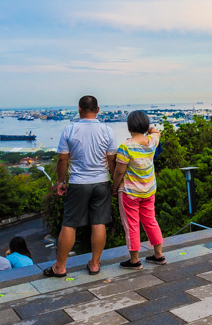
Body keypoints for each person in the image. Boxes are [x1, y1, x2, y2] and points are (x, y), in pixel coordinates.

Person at [45, 95, 119, 278]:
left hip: (78, 182)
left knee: (69, 224)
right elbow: (112, 161)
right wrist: (114, 185)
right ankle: (94, 264)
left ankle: (60, 267)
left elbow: (62, 158)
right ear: (98, 109)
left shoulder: (70, 129)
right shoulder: (107, 130)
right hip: (101, 181)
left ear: (79, 109)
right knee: (98, 222)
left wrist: (60, 182)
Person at [111, 111, 165, 269]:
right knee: (150, 221)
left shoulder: (125, 147)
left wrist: (114, 189)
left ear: (129, 127)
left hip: (130, 192)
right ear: (145, 125)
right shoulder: (151, 141)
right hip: (149, 190)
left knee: (132, 225)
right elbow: (157, 132)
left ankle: (134, 260)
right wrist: (150, 129)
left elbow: (119, 172)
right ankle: (158, 254)